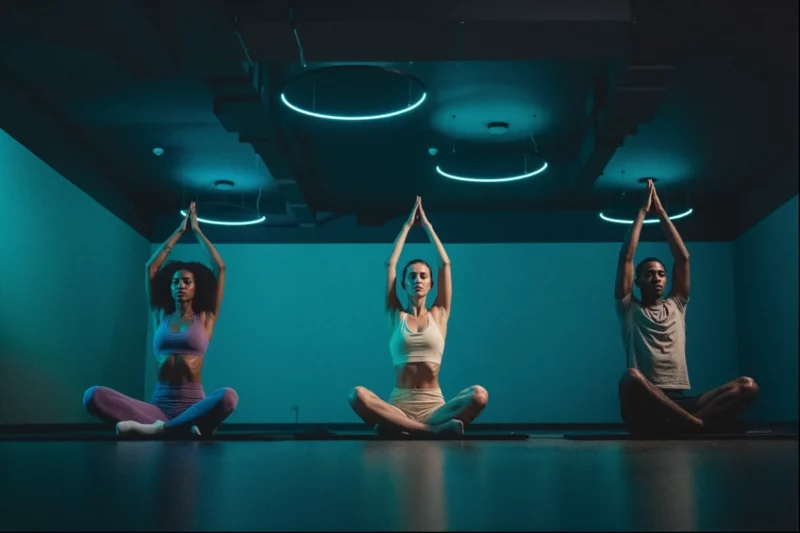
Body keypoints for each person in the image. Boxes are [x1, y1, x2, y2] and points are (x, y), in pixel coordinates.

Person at [83, 202, 238, 437]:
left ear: (197, 288)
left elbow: (220, 267)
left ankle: (161, 430)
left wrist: (196, 230)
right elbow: (150, 267)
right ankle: (176, 428)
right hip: (158, 407)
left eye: (187, 282)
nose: (181, 286)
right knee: (93, 396)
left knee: (228, 397)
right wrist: (179, 231)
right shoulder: (159, 315)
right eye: (176, 282)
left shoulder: (206, 318)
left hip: (194, 404)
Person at [615, 180, 758, 435]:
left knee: (748, 386)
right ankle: (696, 425)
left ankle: (681, 424)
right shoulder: (630, 309)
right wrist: (643, 212)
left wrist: (661, 213)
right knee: (631, 377)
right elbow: (626, 256)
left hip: (681, 401)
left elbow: (683, 258)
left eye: (661, 273)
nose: (656, 277)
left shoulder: (677, 305)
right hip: (644, 404)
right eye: (649, 274)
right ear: (637, 282)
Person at [349, 196, 489, 436]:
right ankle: (429, 432)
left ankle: (405, 429)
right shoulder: (395, 315)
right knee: (357, 395)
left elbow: (445, 264)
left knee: (479, 395)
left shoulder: (440, 313)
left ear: (431, 284)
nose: (417, 281)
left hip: (434, 407)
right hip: (397, 407)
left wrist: (427, 227)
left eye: (423, 276)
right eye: (412, 276)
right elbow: (390, 265)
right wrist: (406, 226)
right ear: (403, 284)